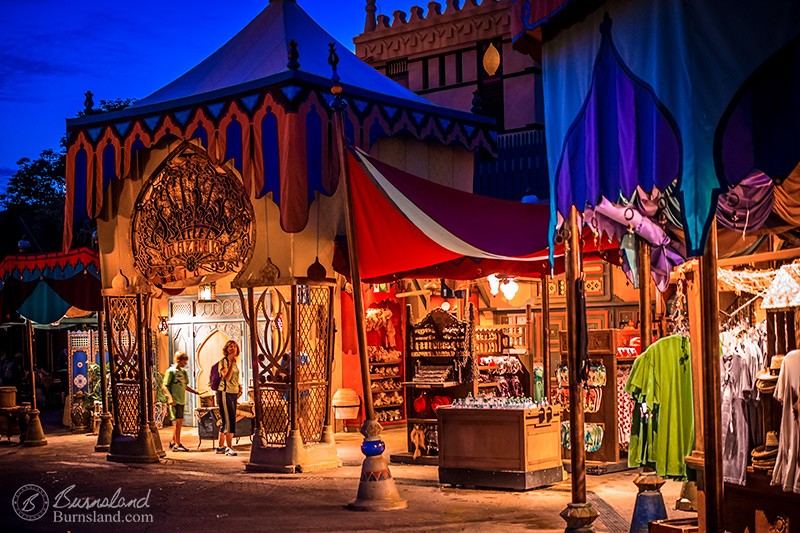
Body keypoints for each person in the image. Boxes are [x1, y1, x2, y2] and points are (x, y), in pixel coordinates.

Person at [162, 351, 198, 452]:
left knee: (179, 422)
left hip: (181, 400)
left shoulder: (183, 372)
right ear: (178, 360)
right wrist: (170, 398)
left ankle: (174, 442)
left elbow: (185, 385)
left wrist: (195, 392)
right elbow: (164, 386)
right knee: (177, 423)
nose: (185, 363)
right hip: (175, 400)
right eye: (184, 361)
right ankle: (177, 444)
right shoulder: (171, 372)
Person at [215, 340, 241, 456]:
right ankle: (229, 447)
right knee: (229, 419)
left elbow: (235, 377)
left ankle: (220, 446)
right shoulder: (223, 362)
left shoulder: (235, 363)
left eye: (235, 347)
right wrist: (231, 365)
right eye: (230, 347)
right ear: (226, 349)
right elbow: (227, 378)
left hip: (233, 392)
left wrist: (239, 388)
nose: (233, 349)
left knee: (226, 420)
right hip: (225, 393)